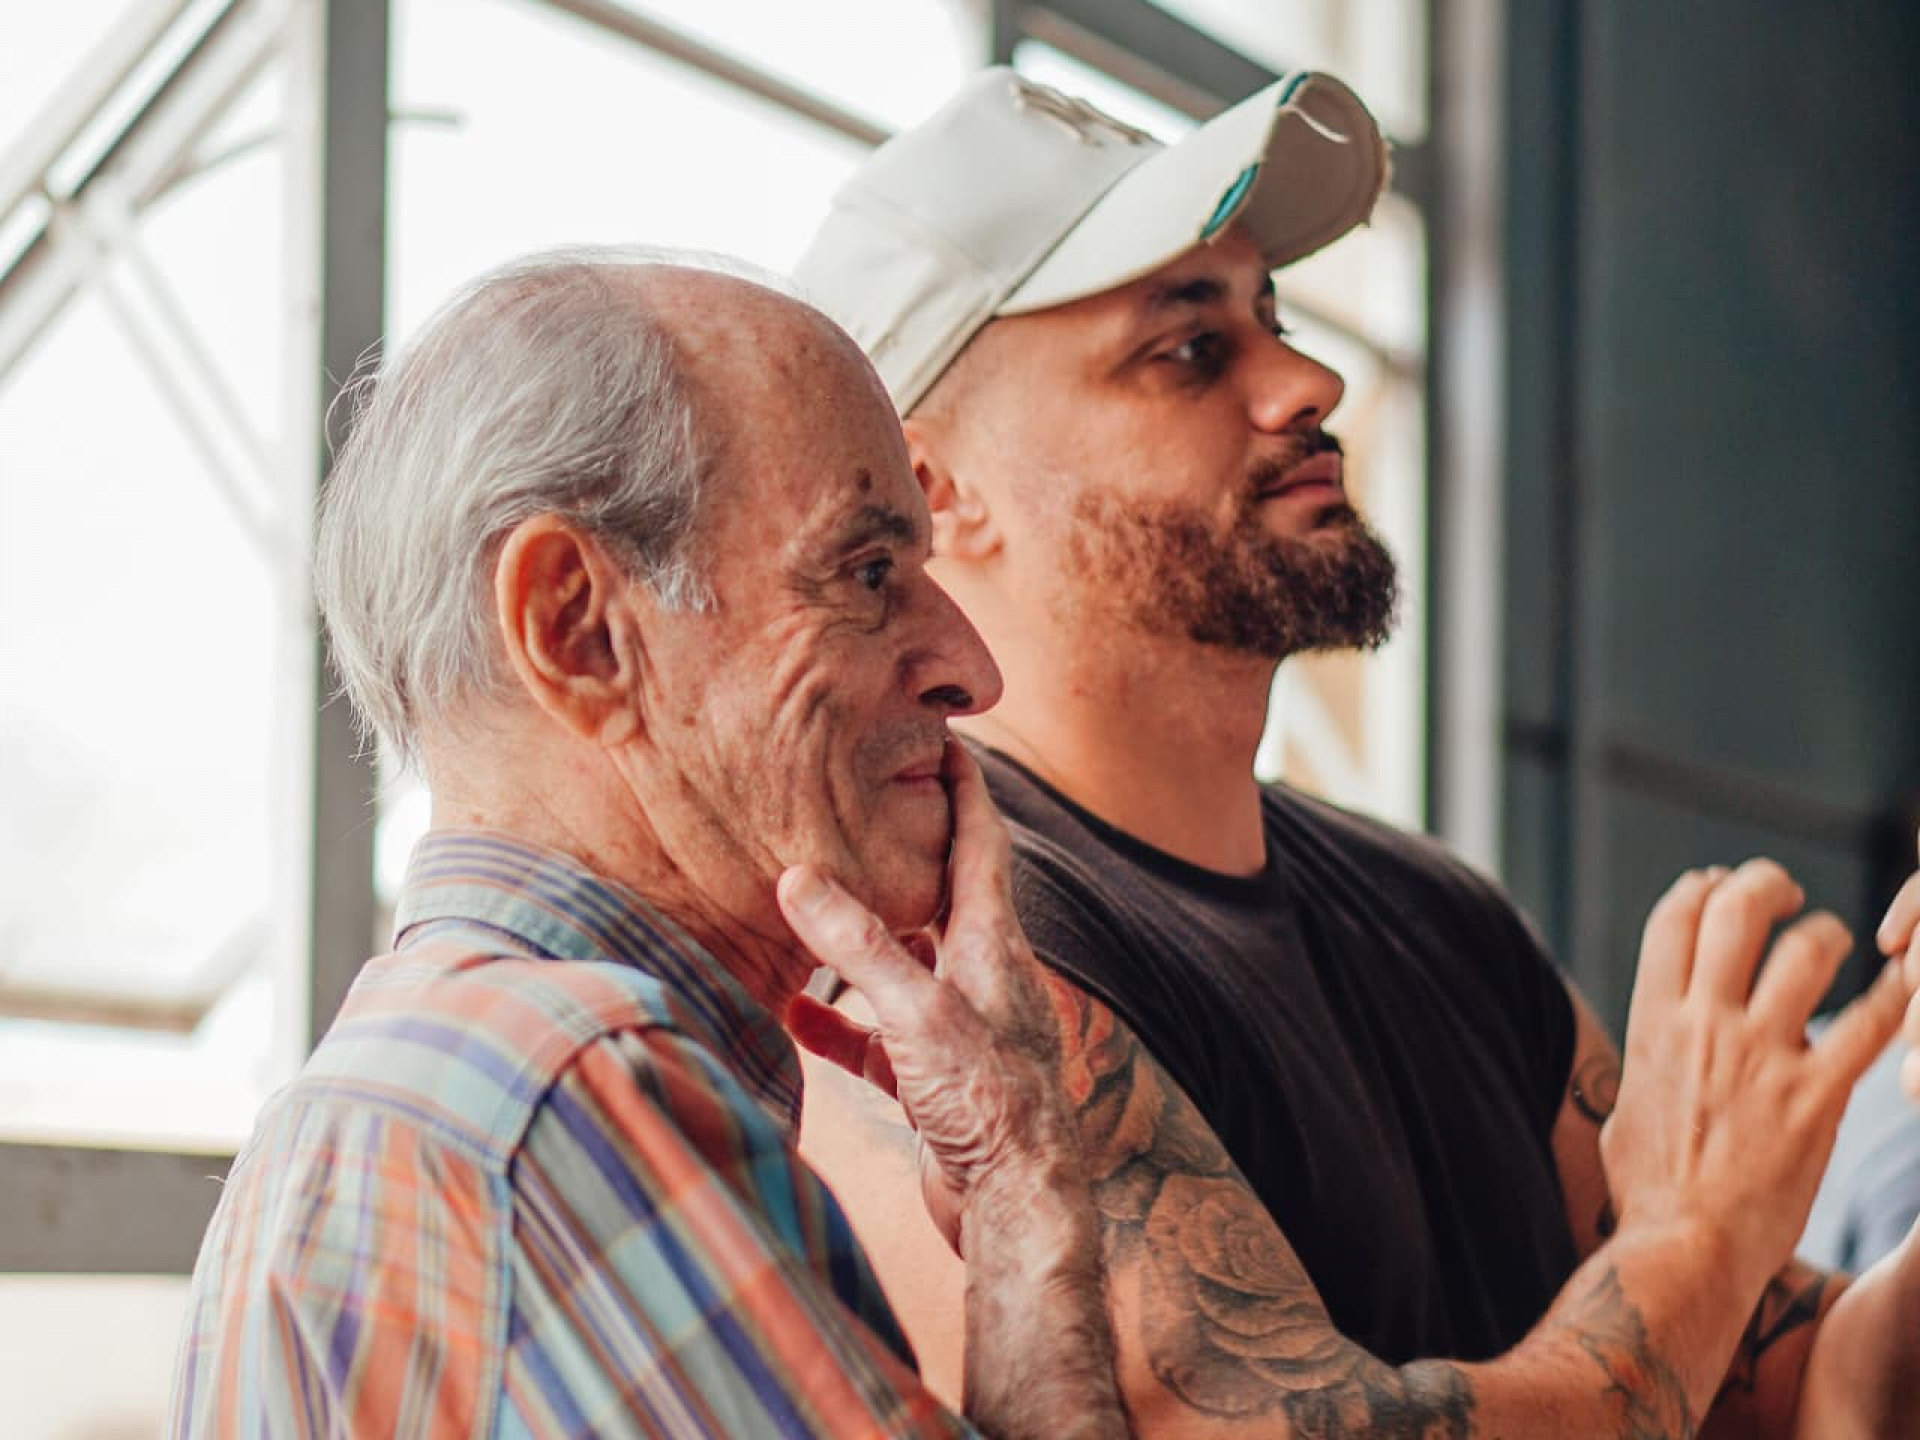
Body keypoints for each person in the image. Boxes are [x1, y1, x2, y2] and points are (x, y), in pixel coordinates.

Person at [793, 67, 1920, 1437]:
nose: (1308, 381)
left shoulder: (1437, 913)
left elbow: (1818, 1391)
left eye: (1269, 319)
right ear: (935, 492)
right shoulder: (931, 975)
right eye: (1189, 349)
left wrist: (1722, 1248)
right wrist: (1698, 1240)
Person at [165, 249, 1132, 1439]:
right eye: (870, 572)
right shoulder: (565, 1090)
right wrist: (1023, 1178)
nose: (971, 672)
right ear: (576, 629)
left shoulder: (398, 1099)